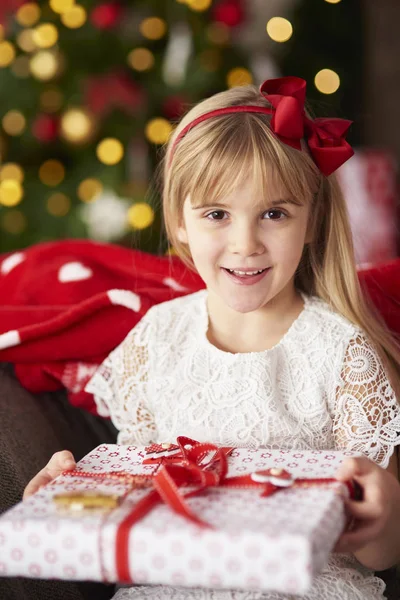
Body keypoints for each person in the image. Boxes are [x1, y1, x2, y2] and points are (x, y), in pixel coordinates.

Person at [24, 77, 400, 599]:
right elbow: (138, 492)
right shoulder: (155, 340)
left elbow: (381, 555)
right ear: (180, 222)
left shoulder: (343, 354)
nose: (244, 243)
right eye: (217, 214)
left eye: (274, 213)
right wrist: (67, 497)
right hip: (174, 582)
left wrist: (384, 515)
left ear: (311, 220)